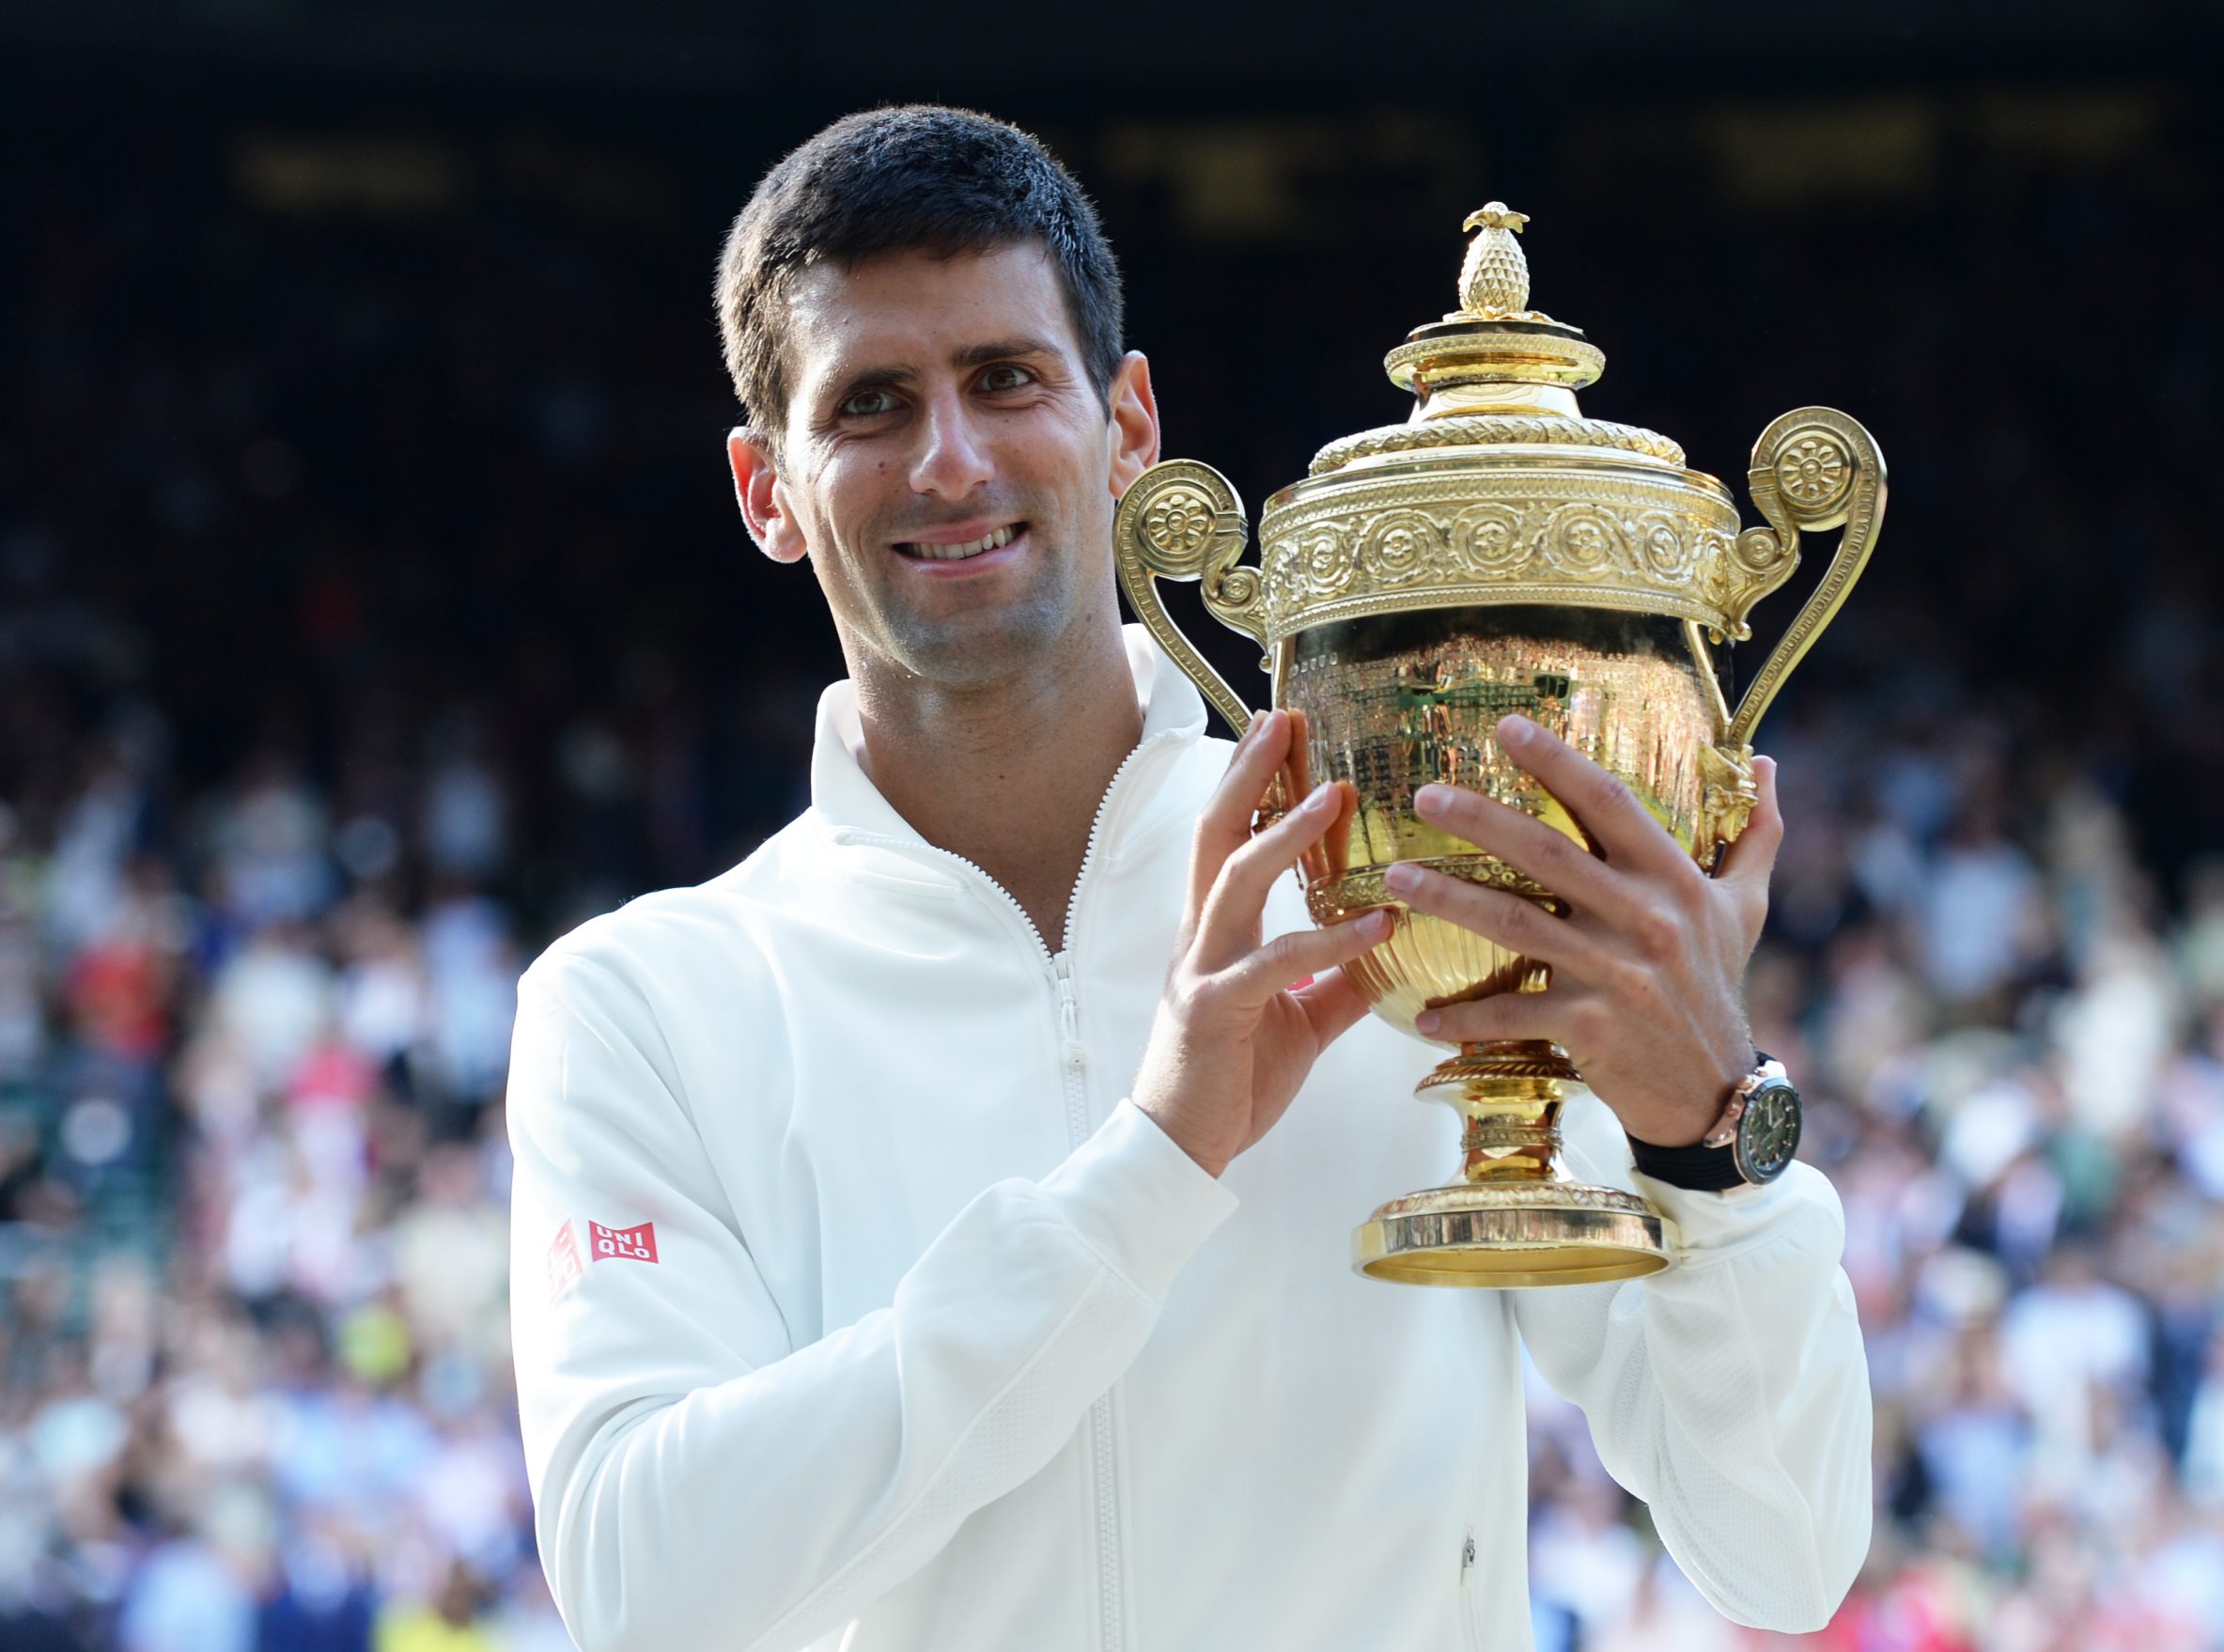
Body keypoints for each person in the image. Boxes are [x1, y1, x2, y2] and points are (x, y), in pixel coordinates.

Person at [504, 105, 1872, 1652]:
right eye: (872, 404)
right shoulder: (646, 1003)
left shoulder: (1419, 877)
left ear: (1131, 423)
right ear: (767, 487)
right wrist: (1151, 1169)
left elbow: (1787, 1552)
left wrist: (1713, 1141)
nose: (950, 461)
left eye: (1007, 379)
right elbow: (642, 1588)